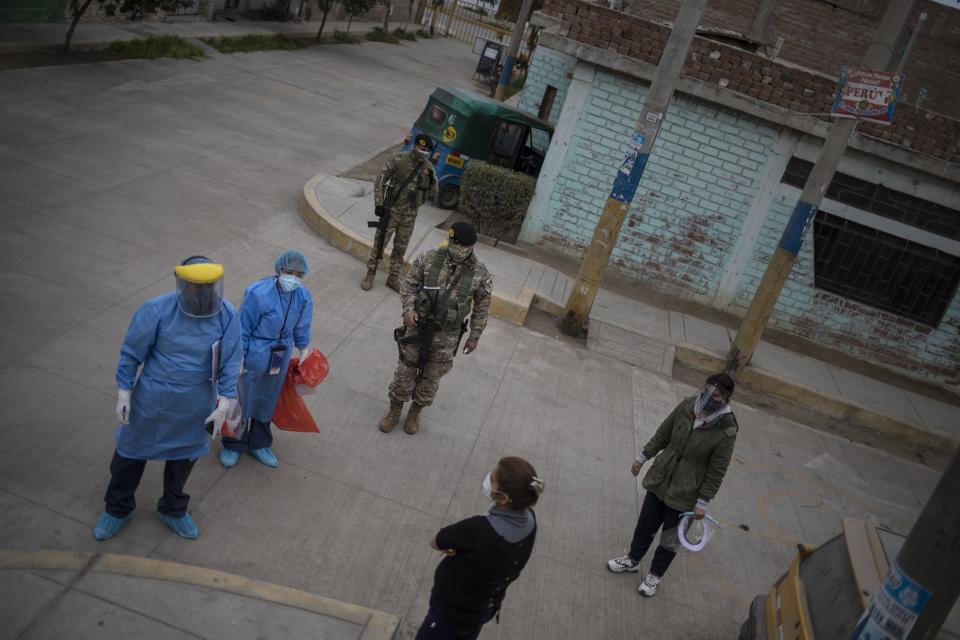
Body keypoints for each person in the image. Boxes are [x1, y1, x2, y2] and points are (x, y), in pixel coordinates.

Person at [93, 256, 242, 541]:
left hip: (196, 403)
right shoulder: (156, 310)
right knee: (130, 454)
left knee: (183, 459)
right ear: (182, 283)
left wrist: (225, 401)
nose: (203, 292)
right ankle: (117, 508)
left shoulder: (227, 314)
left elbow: (231, 360)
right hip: (153, 397)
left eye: (208, 286)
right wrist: (125, 390)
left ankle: (172, 509)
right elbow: (132, 352)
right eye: (197, 286)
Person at [607, 373, 738, 597]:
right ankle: (633, 560)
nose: (709, 397)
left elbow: (717, 471)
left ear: (725, 399)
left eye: (715, 395)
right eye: (706, 391)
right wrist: (642, 457)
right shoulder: (688, 405)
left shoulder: (726, 430)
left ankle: (654, 576)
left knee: (670, 539)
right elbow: (663, 433)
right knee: (645, 525)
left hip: (687, 492)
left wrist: (702, 502)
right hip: (662, 478)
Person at [378, 221, 492, 435]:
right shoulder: (430, 258)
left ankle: (414, 413)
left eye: (460, 245)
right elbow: (409, 282)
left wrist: (475, 336)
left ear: (469, 246)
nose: (455, 248)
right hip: (418, 328)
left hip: (447, 336)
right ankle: (394, 411)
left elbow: (482, 308)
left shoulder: (480, 273)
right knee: (405, 371)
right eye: (452, 242)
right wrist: (408, 309)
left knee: (431, 378)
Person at [415, 456, 544, 640]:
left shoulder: (478, 530)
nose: (488, 478)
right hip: (485, 608)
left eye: (492, 479)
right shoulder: (530, 521)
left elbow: (437, 541)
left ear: (504, 498)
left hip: (451, 614)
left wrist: (460, 546)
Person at [220, 250, 313, 469]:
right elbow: (243, 326)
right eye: (289, 271)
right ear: (279, 270)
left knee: (267, 397)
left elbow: (302, 324)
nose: (293, 277)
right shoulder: (258, 293)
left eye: (298, 274)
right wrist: (239, 357)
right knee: (242, 397)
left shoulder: (303, 296)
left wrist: (303, 348)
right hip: (255, 351)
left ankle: (259, 443)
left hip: (280, 353)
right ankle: (233, 444)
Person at [361, 133, 438, 292]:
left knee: (400, 248)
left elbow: (434, 191)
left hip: (409, 216)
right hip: (392, 211)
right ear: (415, 146)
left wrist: (428, 183)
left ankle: (393, 277)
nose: (423, 152)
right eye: (421, 148)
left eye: (426, 150)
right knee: (380, 243)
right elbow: (381, 180)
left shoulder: (428, 168)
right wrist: (379, 204)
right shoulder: (399, 159)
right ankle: (370, 272)